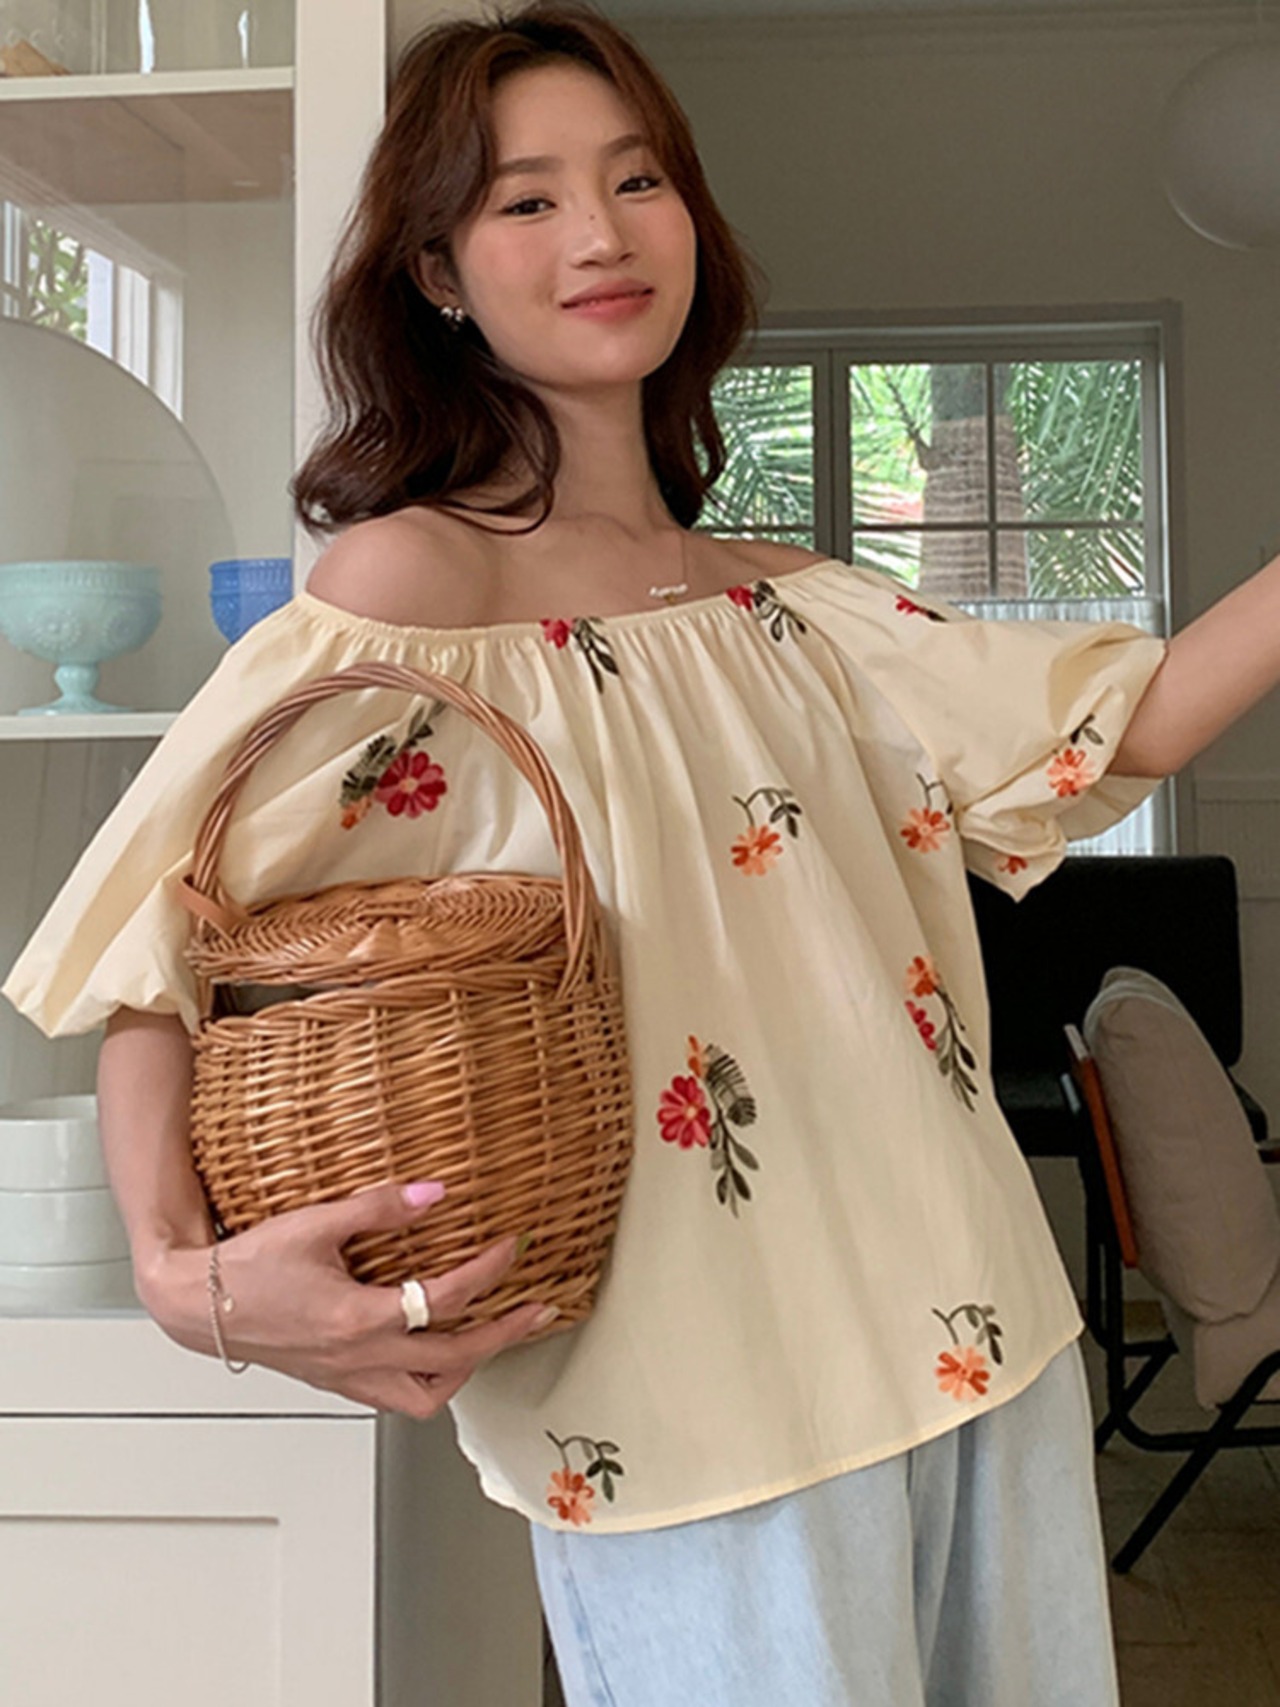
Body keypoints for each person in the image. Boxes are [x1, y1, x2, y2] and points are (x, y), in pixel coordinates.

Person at [6, 4, 1280, 1702]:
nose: (600, 233)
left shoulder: (789, 604)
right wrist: (188, 1281)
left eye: (637, 179)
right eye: (525, 199)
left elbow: (1133, 723)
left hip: (983, 1331)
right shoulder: (417, 591)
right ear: (439, 272)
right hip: (690, 1417)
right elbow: (160, 946)